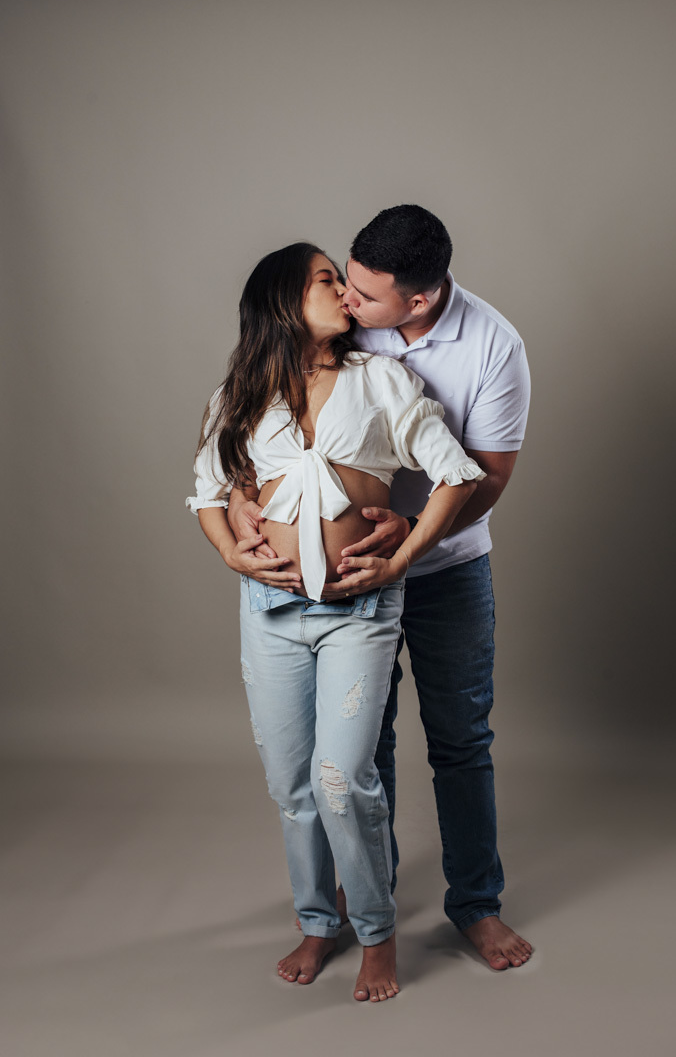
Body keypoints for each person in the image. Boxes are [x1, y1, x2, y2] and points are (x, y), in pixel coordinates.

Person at [230, 207, 533, 971]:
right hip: (343, 593)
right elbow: (258, 428)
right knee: (364, 750)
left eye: (366, 294)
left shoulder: (494, 346)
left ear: (419, 300)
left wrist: (408, 542)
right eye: (344, 282)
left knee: (461, 740)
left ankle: (477, 904)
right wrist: (243, 514)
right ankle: (372, 899)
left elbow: (490, 475)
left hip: (448, 566)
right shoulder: (342, 328)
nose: (350, 299)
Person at [187, 242, 483, 1001]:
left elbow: (455, 473)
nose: (344, 294)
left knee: (341, 780)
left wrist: (402, 557)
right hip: (271, 612)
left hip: (360, 611)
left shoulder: (379, 378)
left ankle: (377, 932)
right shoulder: (238, 395)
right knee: (293, 786)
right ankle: (319, 923)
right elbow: (209, 492)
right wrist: (231, 552)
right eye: (327, 281)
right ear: (283, 300)